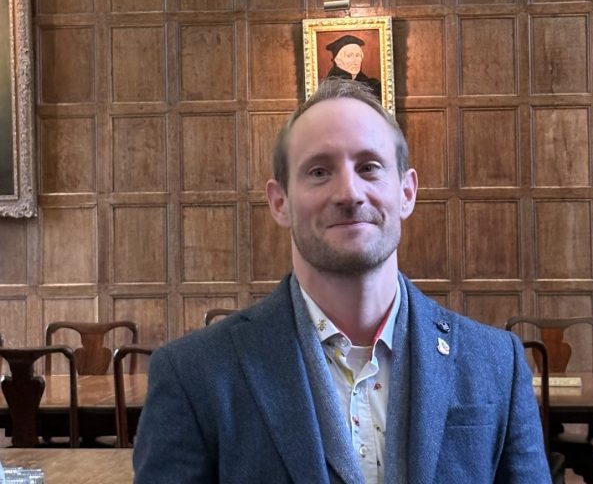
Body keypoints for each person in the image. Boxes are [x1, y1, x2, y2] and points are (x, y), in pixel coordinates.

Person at [132, 77, 550, 483]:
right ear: (280, 202)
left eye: (369, 167)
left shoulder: (497, 364)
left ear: (406, 193)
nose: (349, 193)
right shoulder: (194, 375)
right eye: (318, 172)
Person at [325, 34, 382, 100]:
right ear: (338, 61)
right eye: (349, 56)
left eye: (357, 55)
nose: (355, 61)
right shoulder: (329, 87)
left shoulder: (373, 85)